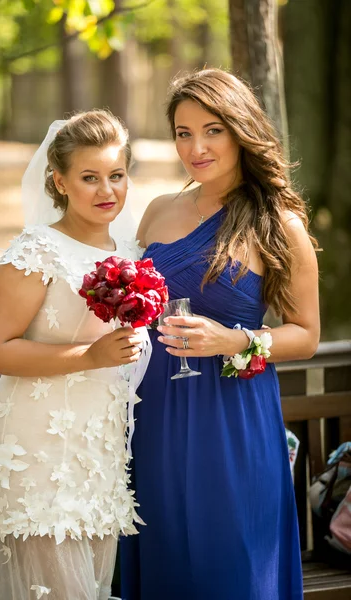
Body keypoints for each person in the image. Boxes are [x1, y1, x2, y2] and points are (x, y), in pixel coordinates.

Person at [120, 68, 320, 600]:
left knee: (229, 563)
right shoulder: (159, 211)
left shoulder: (280, 224)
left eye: (212, 130)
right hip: (156, 411)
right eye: (183, 133)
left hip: (232, 413)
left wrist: (237, 341)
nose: (196, 147)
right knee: (165, 552)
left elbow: (305, 334)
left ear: (240, 130)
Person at [0, 110, 147, 600]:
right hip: (36, 446)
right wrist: (90, 355)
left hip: (99, 445)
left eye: (116, 175)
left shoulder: (130, 250)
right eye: (89, 177)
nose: (107, 190)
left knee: (95, 585)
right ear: (58, 181)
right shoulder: (38, 249)